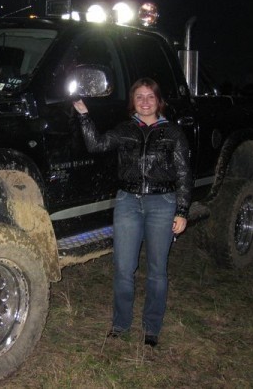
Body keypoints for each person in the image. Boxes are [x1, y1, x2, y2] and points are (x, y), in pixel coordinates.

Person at [73, 77, 192, 347]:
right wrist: (83, 115)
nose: (145, 102)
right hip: (128, 202)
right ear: (133, 102)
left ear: (159, 101)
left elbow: (184, 174)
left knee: (157, 270)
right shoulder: (125, 129)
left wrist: (182, 210)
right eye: (139, 97)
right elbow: (96, 145)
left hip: (162, 203)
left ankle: (152, 328)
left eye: (150, 96)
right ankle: (120, 324)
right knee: (123, 268)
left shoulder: (173, 133)